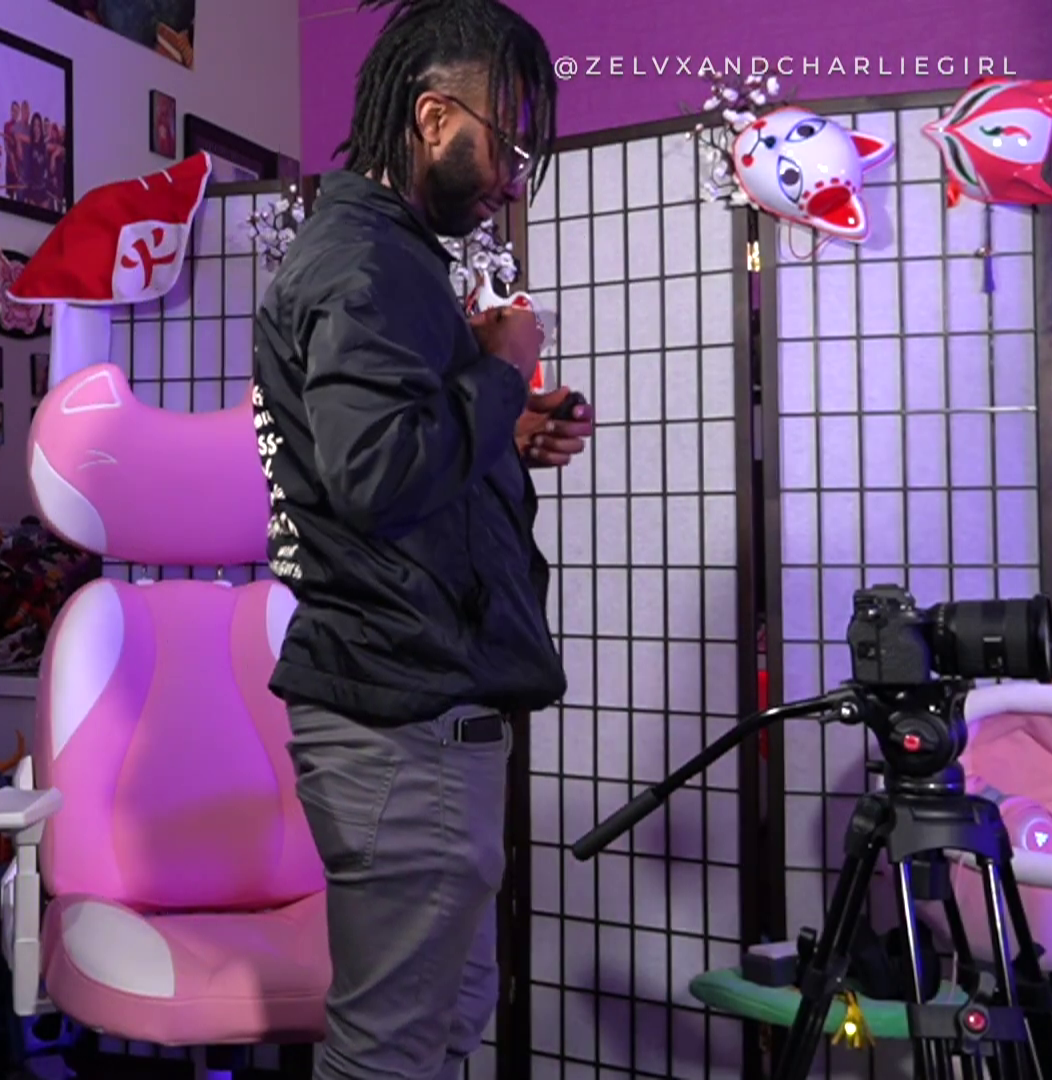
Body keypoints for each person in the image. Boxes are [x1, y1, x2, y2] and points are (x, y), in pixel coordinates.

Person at [249, 1, 593, 1077]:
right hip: (401, 721)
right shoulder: (369, 265)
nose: (511, 182)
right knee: (394, 1050)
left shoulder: (378, 256)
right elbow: (376, 477)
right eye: (508, 147)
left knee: (437, 1027)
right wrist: (503, 368)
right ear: (435, 118)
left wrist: (503, 431)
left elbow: (374, 457)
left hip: (409, 714)